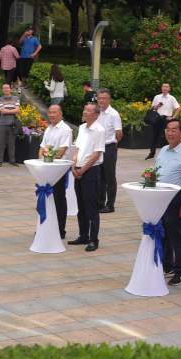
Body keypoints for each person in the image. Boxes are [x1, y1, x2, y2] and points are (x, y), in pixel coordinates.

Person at [156, 119, 181, 286]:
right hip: (159, 196)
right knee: (163, 233)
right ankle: (168, 265)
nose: (170, 133)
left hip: (175, 197)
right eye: (167, 129)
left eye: (174, 130)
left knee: (176, 235)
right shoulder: (164, 150)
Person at [68, 103, 105, 252]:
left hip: (91, 171)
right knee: (81, 205)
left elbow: (96, 154)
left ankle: (93, 239)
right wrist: (74, 164)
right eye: (85, 109)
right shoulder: (82, 128)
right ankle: (83, 235)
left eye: (89, 110)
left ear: (96, 115)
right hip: (78, 169)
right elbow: (77, 148)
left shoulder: (99, 130)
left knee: (91, 206)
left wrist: (83, 169)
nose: (85, 112)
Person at [38, 104, 73, 239]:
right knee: (46, 199)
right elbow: (42, 147)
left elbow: (62, 151)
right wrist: (41, 160)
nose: (51, 115)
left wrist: (48, 157)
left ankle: (60, 229)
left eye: (54, 112)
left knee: (59, 198)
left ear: (60, 114)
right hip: (46, 169)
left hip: (59, 170)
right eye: (50, 112)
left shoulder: (65, 130)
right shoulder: (49, 129)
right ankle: (46, 226)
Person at [96, 89, 122, 213]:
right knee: (99, 177)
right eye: (99, 98)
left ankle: (110, 204)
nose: (101, 100)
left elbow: (119, 133)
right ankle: (100, 203)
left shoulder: (114, 114)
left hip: (109, 147)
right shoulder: (97, 112)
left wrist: (114, 144)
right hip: (98, 148)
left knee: (109, 177)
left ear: (109, 99)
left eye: (104, 98)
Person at [146, 83, 180, 160]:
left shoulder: (172, 98)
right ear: (161, 88)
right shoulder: (157, 97)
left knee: (167, 136)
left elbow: (178, 108)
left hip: (167, 120)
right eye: (163, 87)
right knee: (154, 136)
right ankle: (152, 153)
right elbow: (152, 108)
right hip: (157, 118)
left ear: (169, 89)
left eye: (167, 87)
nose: (165, 88)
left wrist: (173, 117)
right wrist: (157, 106)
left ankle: (168, 153)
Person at [0, 83, 20, 167]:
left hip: (13, 123)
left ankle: (12, 160)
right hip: (2, 123)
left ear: (10, 89)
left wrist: (7, 110)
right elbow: (2, 111)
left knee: (12, 143)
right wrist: (12, 109)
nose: (6, 89)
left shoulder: (16, 98)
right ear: (2, 90)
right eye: (4, 88)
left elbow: (17, 110)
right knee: (1, 143)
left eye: (7, 88)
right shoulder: (0, 99)